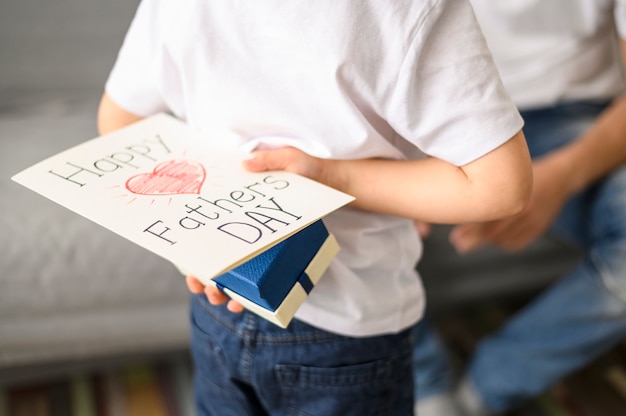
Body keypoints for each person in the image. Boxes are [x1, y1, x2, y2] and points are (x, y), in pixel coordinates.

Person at [97, 1, 533, 414]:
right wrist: (331, 175)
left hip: (221, 305)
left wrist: (195, 244)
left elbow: (118, 125)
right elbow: (501, 186)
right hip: (345, 330)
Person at [413, 0, 626, 415]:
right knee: (347, 211)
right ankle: (425, 390)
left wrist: (561, 176)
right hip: (428, 113)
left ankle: (484, 389)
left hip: (571, 116)